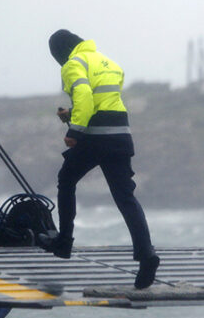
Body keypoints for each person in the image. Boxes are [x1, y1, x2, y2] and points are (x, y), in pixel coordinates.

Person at [38, 29, 160, 289]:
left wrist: (74, 130)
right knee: (125, 197)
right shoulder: (108, 63)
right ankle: (147, 254)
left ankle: (64, 242)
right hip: (121, 135)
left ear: (60, 51)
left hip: (96, 137)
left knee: (66, 179)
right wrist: (72, 115)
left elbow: (84, 97)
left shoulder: (73, 64)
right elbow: (101, 102)